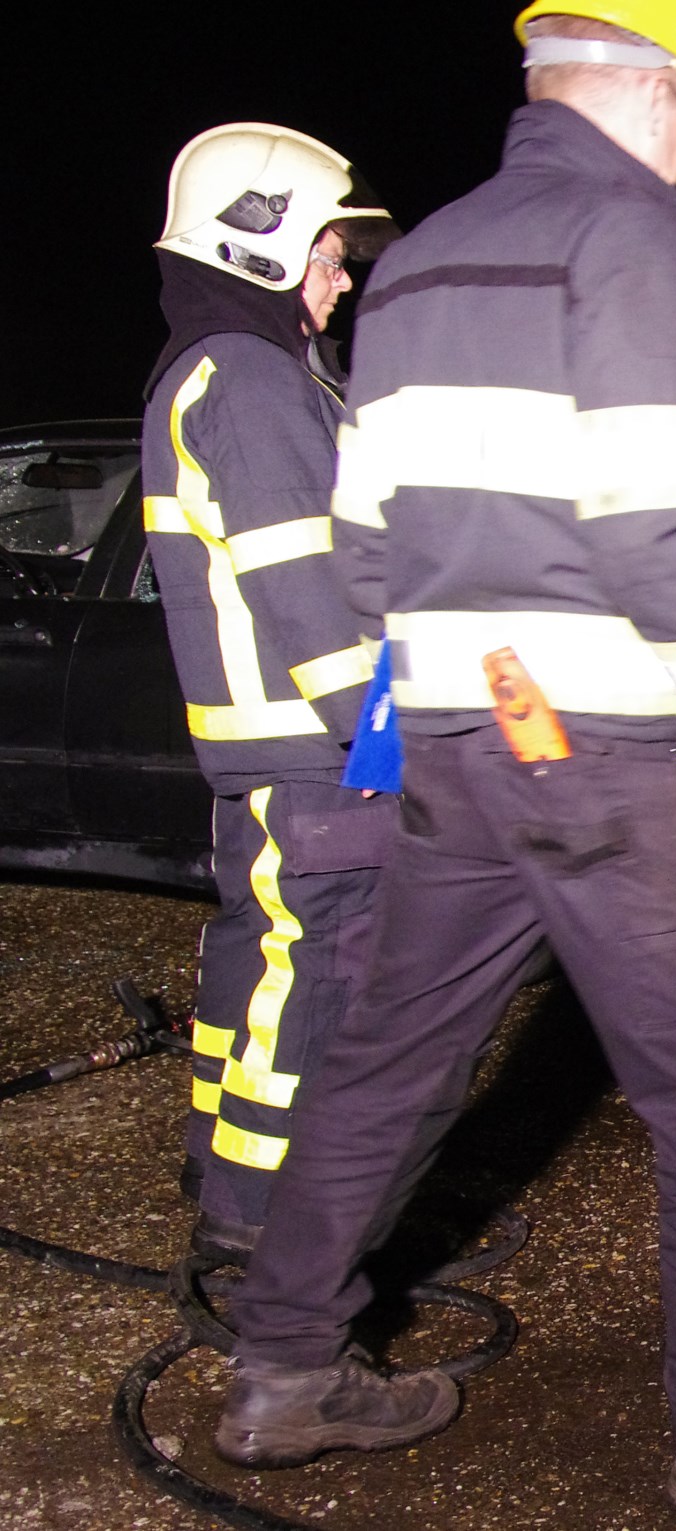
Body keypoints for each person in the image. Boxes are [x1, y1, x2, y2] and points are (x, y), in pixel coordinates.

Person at [215, 3, 676, 1514]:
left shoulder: (422, 254)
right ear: (664, 91)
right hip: (617, 754)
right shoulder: (639, 244)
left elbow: (368, 544)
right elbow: (660, 534)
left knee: (385, 1058)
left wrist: (477, 665)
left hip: (460, 731)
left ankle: (282, 1368)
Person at [140, 123, 401, 1263]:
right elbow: (314, 597)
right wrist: (392, 752)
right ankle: (267, 1229)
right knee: (320, 988)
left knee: (262, 969)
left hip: (276, 762)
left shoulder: (226, 367)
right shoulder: (249, 378)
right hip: (319, 758)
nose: (342, 279)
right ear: (260, 240)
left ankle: (227, 1174)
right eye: (331, 252)